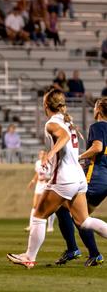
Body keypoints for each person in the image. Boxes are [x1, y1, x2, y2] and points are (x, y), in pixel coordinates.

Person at [7, 89, 107, 269]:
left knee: (38, 215)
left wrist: (49, 154)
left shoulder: (52, 123)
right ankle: (69, 250)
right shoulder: (67, 121)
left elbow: (64, 137)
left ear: (46, 105)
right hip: (79, 179)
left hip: (64, 178)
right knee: (84, 221)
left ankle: (29, 257)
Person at [53, 98, 107, 267]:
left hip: (95, 177)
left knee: (67, 210)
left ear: (98, 110)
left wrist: (79, 157)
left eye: (95, 107)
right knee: (80, 216)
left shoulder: (98, 126)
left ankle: (81, 251)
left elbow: (97, 148)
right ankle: (84, 252)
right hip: (104, 179)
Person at [26, 150, 56, 232]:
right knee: (35, 205)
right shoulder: (38, 163)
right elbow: (37, 173)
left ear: (46, 154)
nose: (41, 155)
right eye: (40, 154)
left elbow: (54, 175)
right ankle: (31, 225)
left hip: (47, 186)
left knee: (49, 206)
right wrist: (32, 181)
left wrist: (46, 178)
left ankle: (50, 226)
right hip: (39, 186)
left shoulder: (50, 164)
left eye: (43, 154)